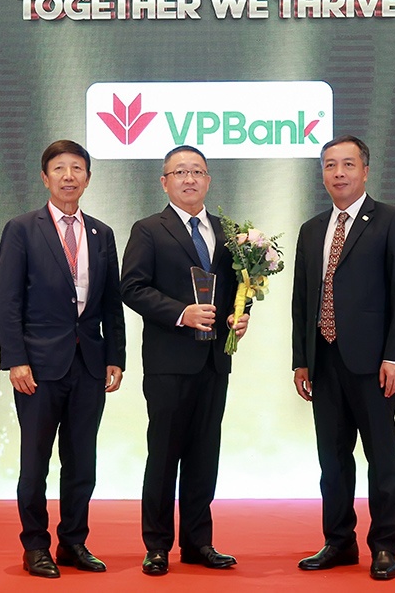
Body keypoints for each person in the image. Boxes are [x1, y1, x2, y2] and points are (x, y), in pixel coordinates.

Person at [0, 140, 126, 579]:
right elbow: (8, 301)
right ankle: (35, 546)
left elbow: (111, 302)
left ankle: (73, 541)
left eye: (77, 169)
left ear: (87, 178)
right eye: (59, 168)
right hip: (38, 366)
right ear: (45, 177)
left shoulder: (102, 233)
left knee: (81, 462)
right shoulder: (22, 229)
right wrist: (16, 359)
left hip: (89, 364)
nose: (68, 176)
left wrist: (115, 356)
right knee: (35, 463)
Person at [291, 135, 395, 581]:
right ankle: (339, 541)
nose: (339, 173)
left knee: (381, 457)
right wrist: (301, 359)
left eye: (348, 164)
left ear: (365, 170)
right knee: (332, 459)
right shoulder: (311, 229)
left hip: (373, 363)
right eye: (330, 165)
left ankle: (384, 545)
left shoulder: (390, 220)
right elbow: (302, 300)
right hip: (324, 360)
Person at [120, 145, 250, 576]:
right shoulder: (148, 230)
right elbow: (132, 287)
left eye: (197, 171)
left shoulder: (229, 232)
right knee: (164, 455)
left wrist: (241, 314)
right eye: (180, 172)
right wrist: (181, 313)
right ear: (164, 182)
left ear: (208, 180)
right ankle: (157, 545)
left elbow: (240, 287)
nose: (189, 179)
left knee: (204, 454)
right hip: (169, 362)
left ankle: (198, 542)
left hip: (214, 360)